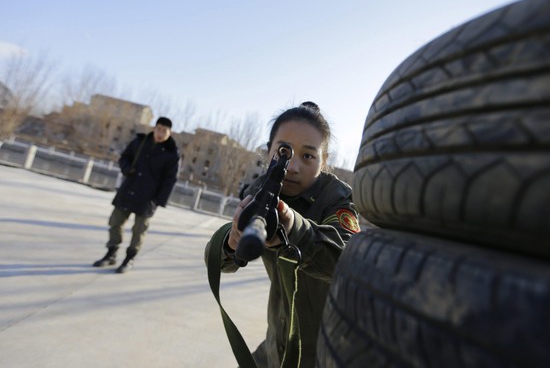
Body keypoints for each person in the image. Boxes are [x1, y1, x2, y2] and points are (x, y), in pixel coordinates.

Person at [205, 102, 360, 367]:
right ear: (269, 152)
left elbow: (347, 258)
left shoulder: (336, 199)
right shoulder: (260, 193)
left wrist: (293, 228)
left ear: (324, 161)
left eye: (308, 156)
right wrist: (230, 243)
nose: (293, 167)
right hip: (279, 340)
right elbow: (218, 262)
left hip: (329, 350)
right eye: (284, 152)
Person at [93, 117, 180, 273]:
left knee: (139, 230)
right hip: (129, 189)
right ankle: (111, 253)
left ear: (170, 133)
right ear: (154, 128)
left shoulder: (172, 154)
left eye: (164, 131)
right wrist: (126, 169)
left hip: (148, 198)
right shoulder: (139, 142)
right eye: (159, 129)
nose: (160, 133)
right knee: (115, 222)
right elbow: (125, 157)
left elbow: (170, 180)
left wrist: (158, 201)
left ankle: (129, 258)